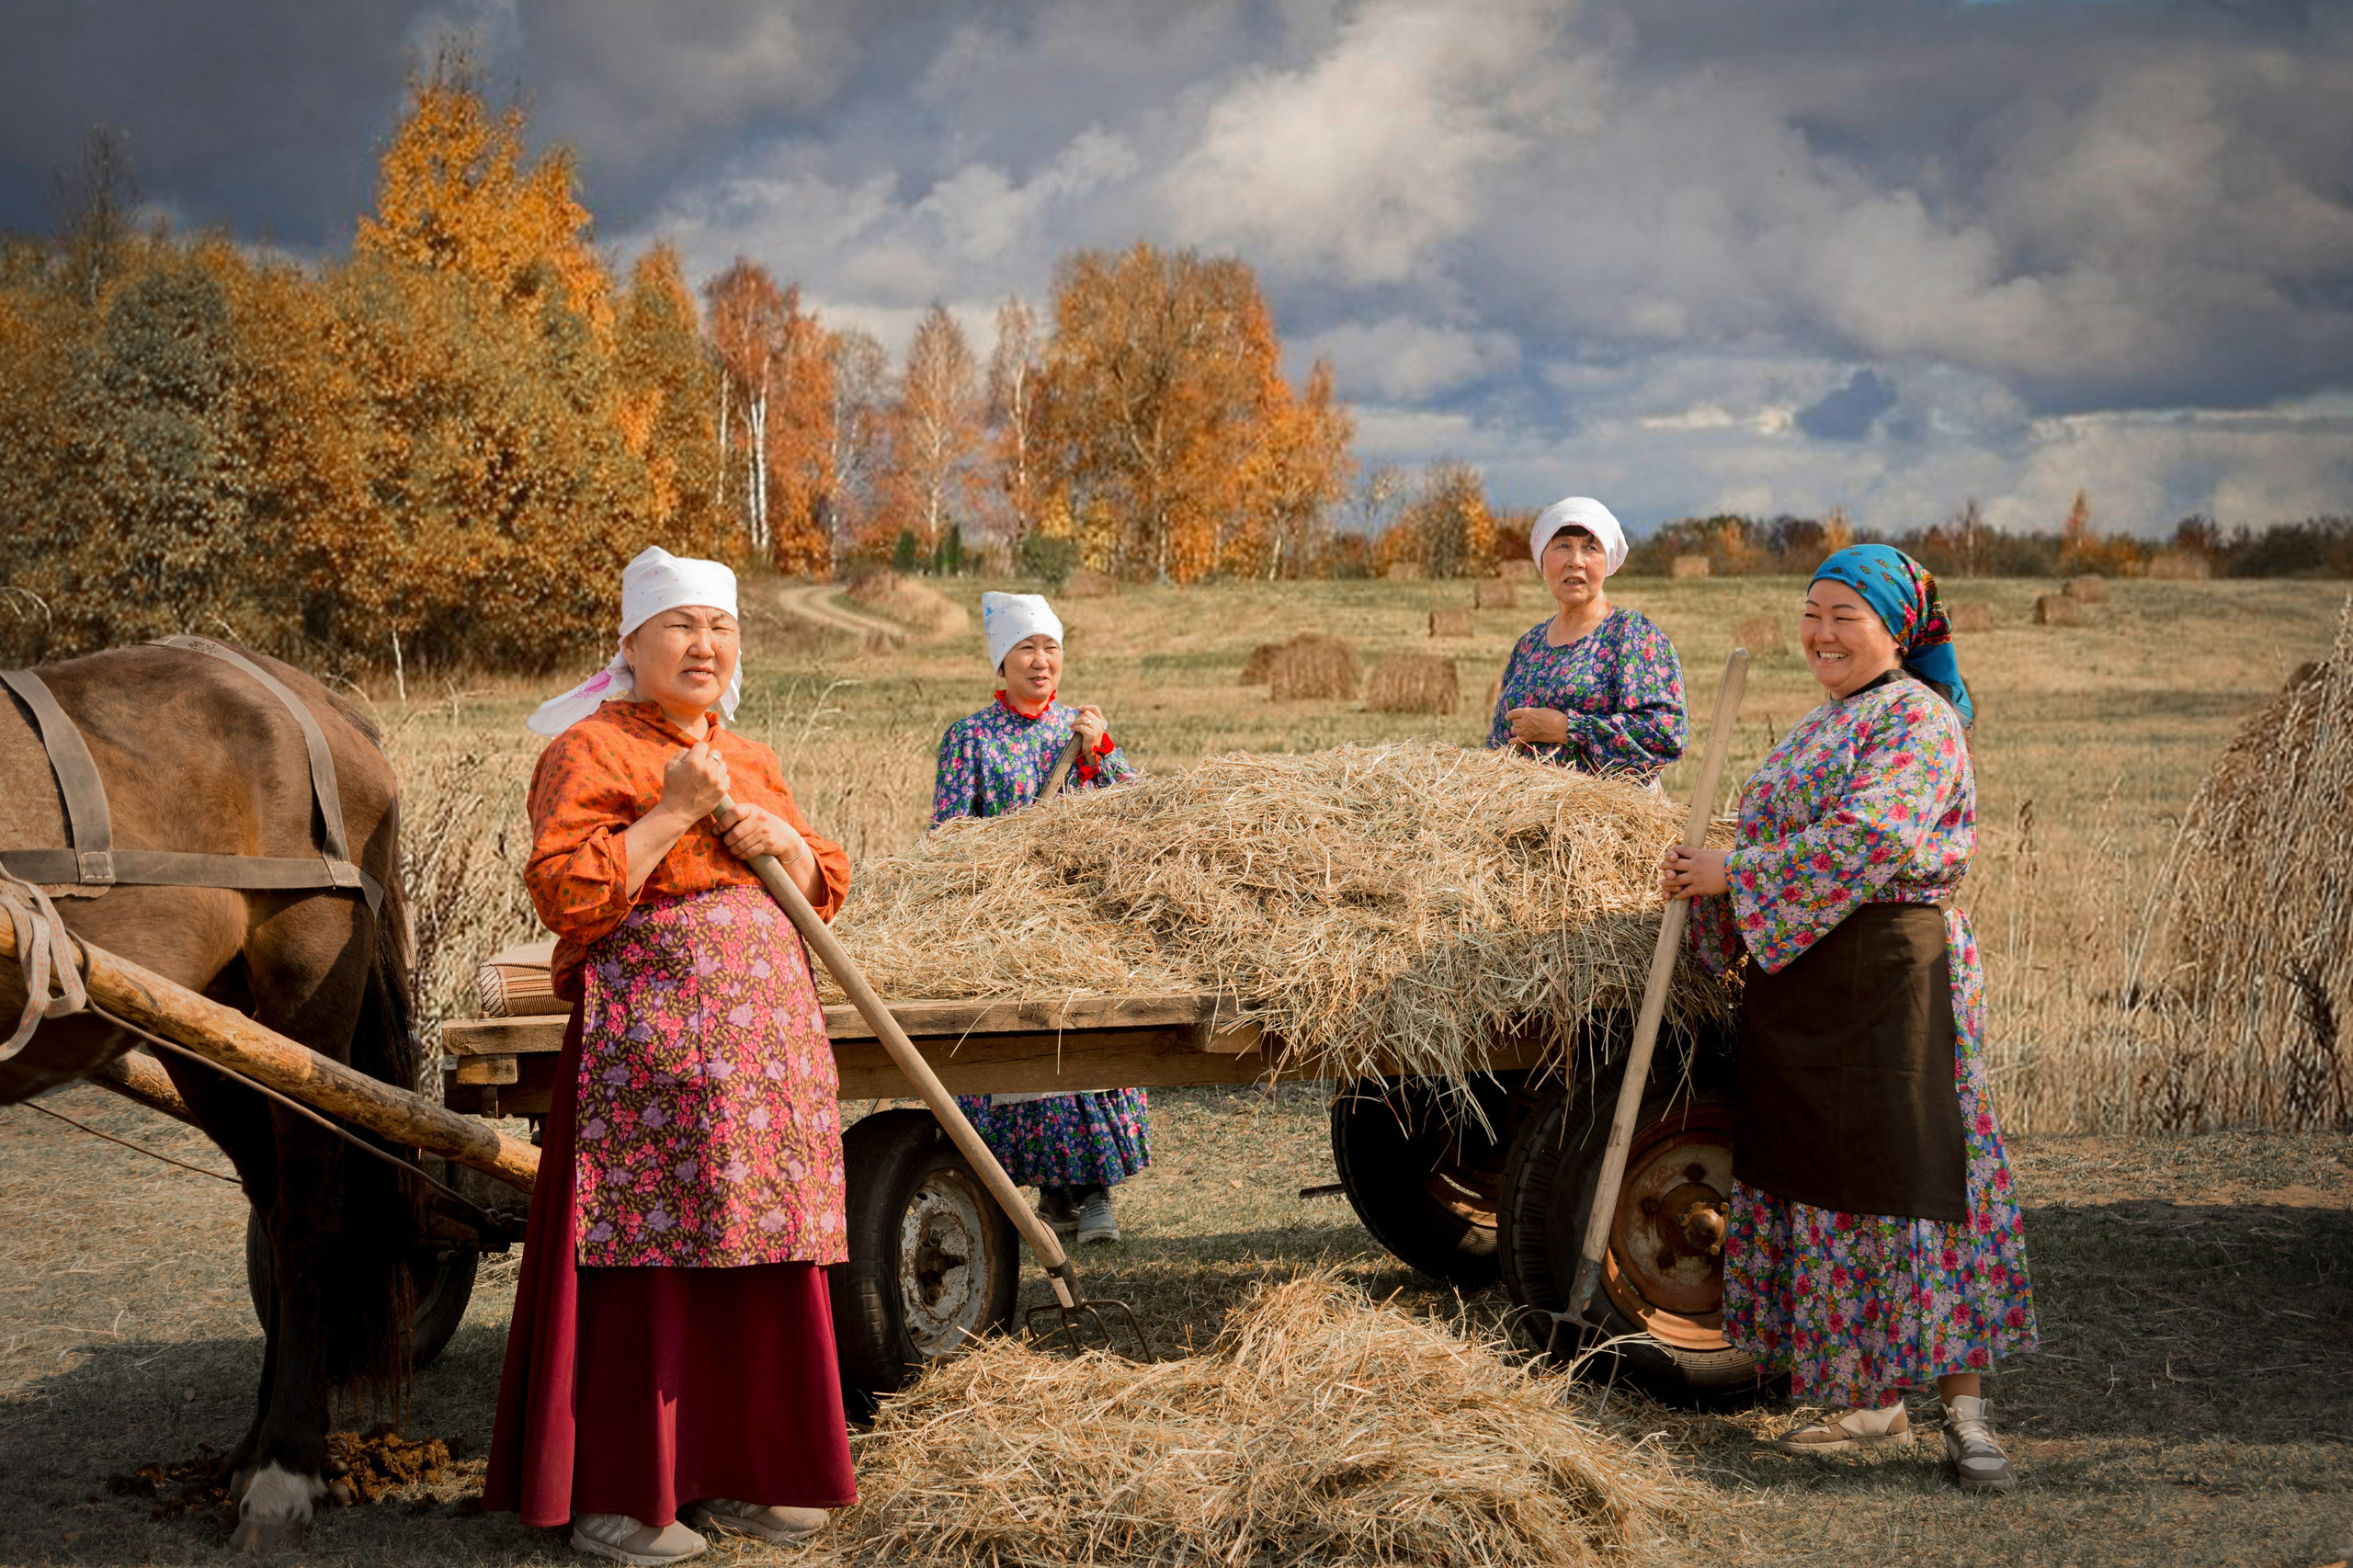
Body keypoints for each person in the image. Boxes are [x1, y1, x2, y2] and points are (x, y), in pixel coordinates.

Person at [485, 547, 858, 1564]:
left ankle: (748, 1470)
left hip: (764, 1055)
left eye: (720, 627)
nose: (704, 645)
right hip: (650, 1057)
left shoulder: (754, 752)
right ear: (633, 643)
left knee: (763, 1257)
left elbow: (825, 878)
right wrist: (675, 810)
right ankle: (624, 1492)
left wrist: (781, 835)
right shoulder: (588, 749)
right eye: (681, 627)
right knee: (650, 1260)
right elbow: (567, 894)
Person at [1661, 543, 2035, 1494]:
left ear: (1894, 627)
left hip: (1891, 980)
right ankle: (1866, 1396)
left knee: (1918, 1177)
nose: (1822, 633)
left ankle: (1967, 1415)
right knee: (1824, 1179)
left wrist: (1736, 871)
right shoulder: (1817, 722)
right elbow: (1781, 836)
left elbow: (1875, 834)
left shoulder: (1920, 718)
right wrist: (1707, 878)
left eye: (1845, 617)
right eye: (1812, 612)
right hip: (1807, 979)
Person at [931, 591, 1148, 1245]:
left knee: (1085, 1042)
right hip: (1004, 920)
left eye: (1050, 648)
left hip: (1074, 914)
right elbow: (947, 833)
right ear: (1002, 662)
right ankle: (1043, 1197)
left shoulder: (1078, 732)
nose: (1040, 660)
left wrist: (1100, 755)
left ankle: (1091, 1192)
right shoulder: (971, 737)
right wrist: (993, 863)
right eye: (1026, 648)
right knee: (1023, 1054)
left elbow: (1141, 812)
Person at [1487, 495, 1687, 778]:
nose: (1576, 561)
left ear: (1607, 563)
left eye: (1591, 548)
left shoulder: (1632, 636)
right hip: (1524, 815)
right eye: (1562, 546)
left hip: (1601, 817)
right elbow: (1498, 744)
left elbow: (1665, 734)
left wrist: (1567, 729)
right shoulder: (1528, 645)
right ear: (1541, 560)